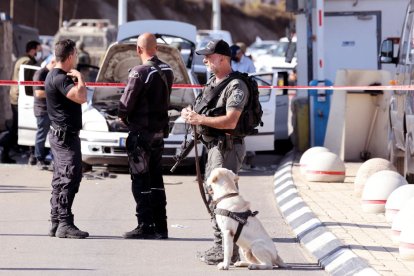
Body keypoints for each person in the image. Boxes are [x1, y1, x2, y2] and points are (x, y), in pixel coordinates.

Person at [181, 39, 249, 265]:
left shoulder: (236, 85)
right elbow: (204, 109)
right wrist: (191, 115)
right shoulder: (212, 82)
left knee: (224, 199)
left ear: (223, 58)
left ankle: (226, 248)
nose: (205, 60)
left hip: (227, 147)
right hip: (214, 147)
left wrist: (200, 119)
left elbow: (231, 121)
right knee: (215, 197)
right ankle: (223, 245)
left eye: (209, 56)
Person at [118, 33, 174, 240]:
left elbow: (125, 104)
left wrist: (122, 117)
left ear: (138, 49)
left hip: (141, 134)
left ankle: (145, 224)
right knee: (156, 179)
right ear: (156, 48)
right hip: (159, 133)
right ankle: (161, 225)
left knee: (140, 180)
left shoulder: (139, 72)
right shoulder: (168, 70)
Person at [45, 39, 89, 239]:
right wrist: (80, 78)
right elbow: (81, 97)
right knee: (69, 177)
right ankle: (64, 222)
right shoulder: (60, 78)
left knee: (60, 178)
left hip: (60, 135)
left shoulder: (53, 75)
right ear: (70, 56)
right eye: (76, 55)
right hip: (64, 137)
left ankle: (56, 222)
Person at [8, 40, 42, 164]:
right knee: (16, 128)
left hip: (15, 95)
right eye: (38, 50)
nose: (39, 53)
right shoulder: (27, 62)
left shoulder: (22, 59)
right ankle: (4, 150)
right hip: (19, 97)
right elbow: (29, 84)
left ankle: (7, 151)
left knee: (16, 127)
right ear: (33, 50)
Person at [33, 55, 56, 169]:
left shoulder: (51, 73)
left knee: (54, 136)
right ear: (52, 62)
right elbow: (39, 93)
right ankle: (39, 159)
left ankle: (51, 158)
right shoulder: (40, 74)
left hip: (51, 110)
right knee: (41, 135)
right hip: (42, 109)